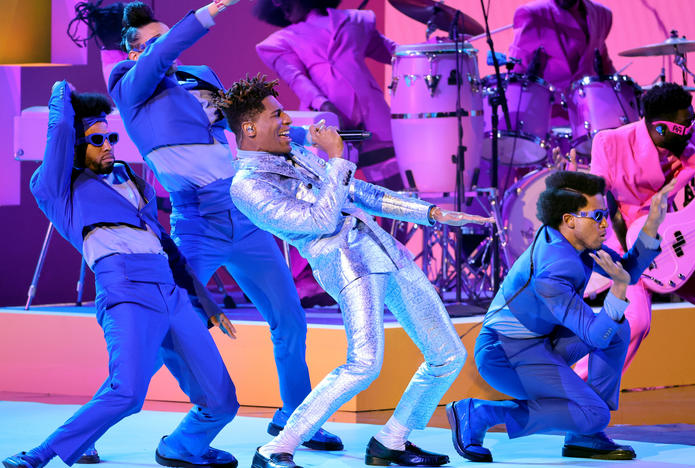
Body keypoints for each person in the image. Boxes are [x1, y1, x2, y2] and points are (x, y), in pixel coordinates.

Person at [215, 75, 495, 468]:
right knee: (364, 363)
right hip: (348, 266)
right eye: (277, 114)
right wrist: (338, 159)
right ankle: (277, 447)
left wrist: (429, 213)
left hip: (387, 253)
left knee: (447, 354)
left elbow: (359, 192)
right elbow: (321, 218)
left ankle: (392, 441)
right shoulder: (247, 185)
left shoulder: (296, 152)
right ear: (249, 128)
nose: (286, 121)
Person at [108, 1, 342, 451]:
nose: (167, 47)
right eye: (156, 40)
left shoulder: (198, 74)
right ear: (135, 51)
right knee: (170, 326)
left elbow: (241, 131)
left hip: (245, 213)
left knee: (290, 320)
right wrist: (203, 15)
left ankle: (296, 417)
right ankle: (104, 414)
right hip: (197, 221)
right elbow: (161, 54)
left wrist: (302, 134)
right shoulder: (129, 83)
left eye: (169, 36)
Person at [2, 82, 238, 468]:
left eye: (111, 136)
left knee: (223, 402)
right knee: (128, 392)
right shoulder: (57, 188)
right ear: (77, 146)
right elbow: (60, 132)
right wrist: (63, 92)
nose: (109, 144)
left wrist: (206, 302)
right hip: (125, 290)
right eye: (97, 139)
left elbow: (167, 246)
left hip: (171, 293)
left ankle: (182, 447)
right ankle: (41, 453)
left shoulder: (132, 179)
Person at [446, 170, 669, 462]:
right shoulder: (553, 269)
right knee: (595, 412)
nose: (605, 224)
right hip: (504, 355)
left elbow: (627, 270)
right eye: (598, 215)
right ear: (569, 219)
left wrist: (652, 223)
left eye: (606, 213)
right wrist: (619, 286)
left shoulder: (572, 241)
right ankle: (479, 413)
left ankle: (584, 433)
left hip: (538, 343)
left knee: (617, 329)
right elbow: (594, 334)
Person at [576, 83, 695, 377]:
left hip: (674, 240)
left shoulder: (692, 134)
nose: (691, 128)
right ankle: (572, 390)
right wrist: (629, 260)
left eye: (692, 119)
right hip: (627, 245)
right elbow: (601, 202)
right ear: (660, 128)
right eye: (685, 124)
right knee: (635, 321)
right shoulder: (610, 142)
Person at [254, 0, 402, 190]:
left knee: (394, 195)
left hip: (373, 119)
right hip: (326, 123)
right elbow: (297, 80)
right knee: (329, 194)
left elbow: (394, 53)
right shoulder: (279, 41)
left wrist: (430, 47)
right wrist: (326, 108)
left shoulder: (355, 20)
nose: (279, 4)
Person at [508, 0, 615, 125]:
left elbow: (602, 62)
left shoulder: (602, 14)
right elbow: (517, 72)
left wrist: (627, 93)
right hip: (548, 119)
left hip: (591, 116)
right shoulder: (534, 14)